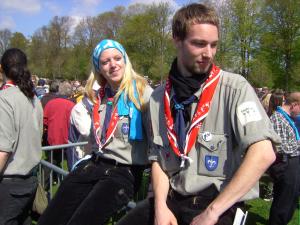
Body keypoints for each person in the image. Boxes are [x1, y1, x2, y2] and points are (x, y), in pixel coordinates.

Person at [116, 3, 280, 225]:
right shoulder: (157, 99)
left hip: (221, 204)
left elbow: (264, 153)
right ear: (176, 39)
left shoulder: (235, 88)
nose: (208, 54)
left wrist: (212, 212)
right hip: (172, 199)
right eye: (199, 44)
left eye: (214, 45)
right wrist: (160, 207)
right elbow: (158, 160)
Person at [37, 39, 153, 225]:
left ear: (125, 60)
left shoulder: (143, 94)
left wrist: (155, 192)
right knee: (51, 219)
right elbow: (96, 138)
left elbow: (158, 147)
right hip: (95, 163)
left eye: (117, 58)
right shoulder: (99, 98)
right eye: (105, 61)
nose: (113, 65)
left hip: (123, 171)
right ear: (99, 68)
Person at [0, 48, 43, 225]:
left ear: (1, 68)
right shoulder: (34, 98)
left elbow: (3, 150)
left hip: (11, 184)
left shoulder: (4, 98)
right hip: (29, 181)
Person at [268, 92, 300, 225]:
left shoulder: (286, 117)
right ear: (294, 105)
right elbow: (279, 147)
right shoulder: (278, 118)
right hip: (285, 164)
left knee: (290, 199)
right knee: (283, 201)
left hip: (292, 162)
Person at [66, 73, 100, 170]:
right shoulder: (80, 108)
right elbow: (87, 132)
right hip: (79, 154)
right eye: (97, 91)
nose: (99, 93)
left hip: (92, 153)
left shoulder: (98, 107)